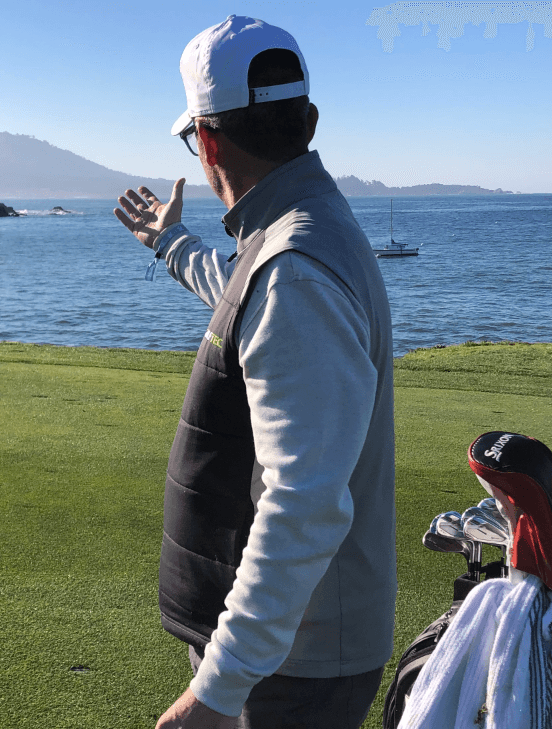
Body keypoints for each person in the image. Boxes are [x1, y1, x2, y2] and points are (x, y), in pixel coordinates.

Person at [113, 16, 396, 729]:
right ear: (308, 119)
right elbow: (242, 290)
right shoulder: (297, 230)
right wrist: (170, 242)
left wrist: (217, 691)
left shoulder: (294, 268)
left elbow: (301, 501)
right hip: (289, 652)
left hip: (290, 665)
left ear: (206, 140)